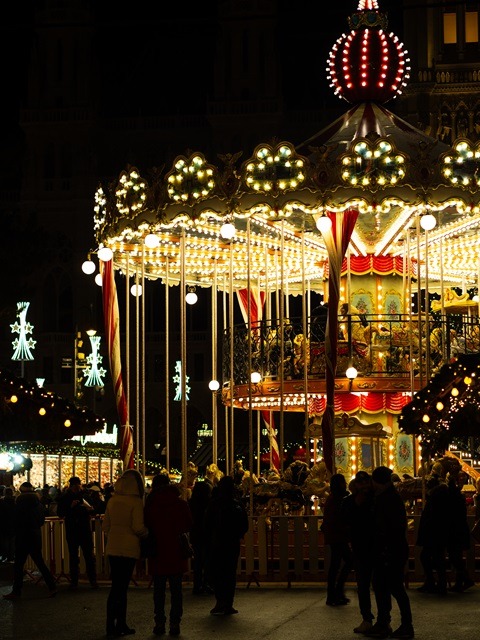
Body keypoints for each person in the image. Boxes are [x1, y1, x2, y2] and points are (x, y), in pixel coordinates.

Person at [365, 466, 413, 640]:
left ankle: (404, 624)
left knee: (394, 587)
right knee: (382, 586)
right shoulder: (387, 497)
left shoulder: (387, 499)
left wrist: (384, 547)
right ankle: (384, 621)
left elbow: (388, 527)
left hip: (389, 550)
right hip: (390, 549)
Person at [144, 473, 193, 636]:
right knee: (176, 590)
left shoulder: (150, 505)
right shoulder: (180, 504)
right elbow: (188, 524)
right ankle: (175, 622)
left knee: (158, 590)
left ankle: (159, 621)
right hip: (176, 550)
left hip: (157, 550)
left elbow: (146, 525)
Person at [102, 468, 148, 638]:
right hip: (129, 548)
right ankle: (120, 623)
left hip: (113, 546)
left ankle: (110, 624)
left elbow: (106, 526)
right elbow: (138, 527)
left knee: (116, 587)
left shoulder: (113, 501)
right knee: (122, 588)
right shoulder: (135, 502)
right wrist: (146, 533)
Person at [3, 482, 57, 600]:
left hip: (23, 537)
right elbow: (41, 521)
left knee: (18, 565)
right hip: (35, 536)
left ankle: (16, 591)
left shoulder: (19, 504)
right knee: (40, 562)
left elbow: (15, 521)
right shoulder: (38, 504)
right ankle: (52, 586)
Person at [204, 475, 249, 615]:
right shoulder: (237, 504)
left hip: (218, 542)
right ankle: (228, 602)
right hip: (232, 542)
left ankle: (220, 601)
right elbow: (244, 524)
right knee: (230, 573)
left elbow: (207, 523)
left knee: (218, 571)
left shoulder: (215, 504)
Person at [341, 471, 375, 633]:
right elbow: (345, 520)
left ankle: (382, 619)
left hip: (373, 546)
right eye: (360, 485)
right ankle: (367, 617)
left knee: (378, 584)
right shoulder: (348, 502)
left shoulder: (374, 500)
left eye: (365, 484)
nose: (363, 488)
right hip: (361, 547)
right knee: (363, 585)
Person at [56, 476, 98, 589]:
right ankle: (77, 580)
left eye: (77, 485)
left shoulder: (84, 496)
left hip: (79, 529)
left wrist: (89, 509)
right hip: (76, 529)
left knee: (87, 556)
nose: (76, 487)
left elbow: (94, 510)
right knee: (76, 556)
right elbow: (60, 513)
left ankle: (90, 580)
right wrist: (71, 507)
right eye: (75, 485)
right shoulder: (66, 498)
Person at [322, 473, 353, 606]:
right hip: (338, 536)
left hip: (336, 535)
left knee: (338, 564)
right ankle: (335, 592)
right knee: (343, 563)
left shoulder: (335, 498)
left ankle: (336, 592)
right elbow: (338, 518)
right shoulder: (337, 499)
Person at [416, 478, 449, 595]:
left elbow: (431, 517)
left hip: (433, 533)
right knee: (436, 558)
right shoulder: (439, 497)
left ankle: (434, 581)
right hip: (436, 533)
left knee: (429, 557)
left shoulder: (435, 498)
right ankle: (438, 582)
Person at [446, 473, 475, 592]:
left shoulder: (453, 497)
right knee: (456, 556)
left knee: (455, 557)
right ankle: (462, 581)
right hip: (459, 530)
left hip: (455, 531)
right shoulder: (458, 496)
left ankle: (465, 580)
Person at [188, 480, 213, 595]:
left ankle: (197, 584)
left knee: (198, 560)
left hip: (196, 534)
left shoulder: (191, 503)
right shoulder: (209, 503)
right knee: (207, 560)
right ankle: (206, 583)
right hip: (206, 534)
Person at [0, 486, 16, 563]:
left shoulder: (2, 502)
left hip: (4, 525)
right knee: (12, 542)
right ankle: (11, 557)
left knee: (5, 541)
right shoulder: (15, 502)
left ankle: (4, 556)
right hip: (13, 525)